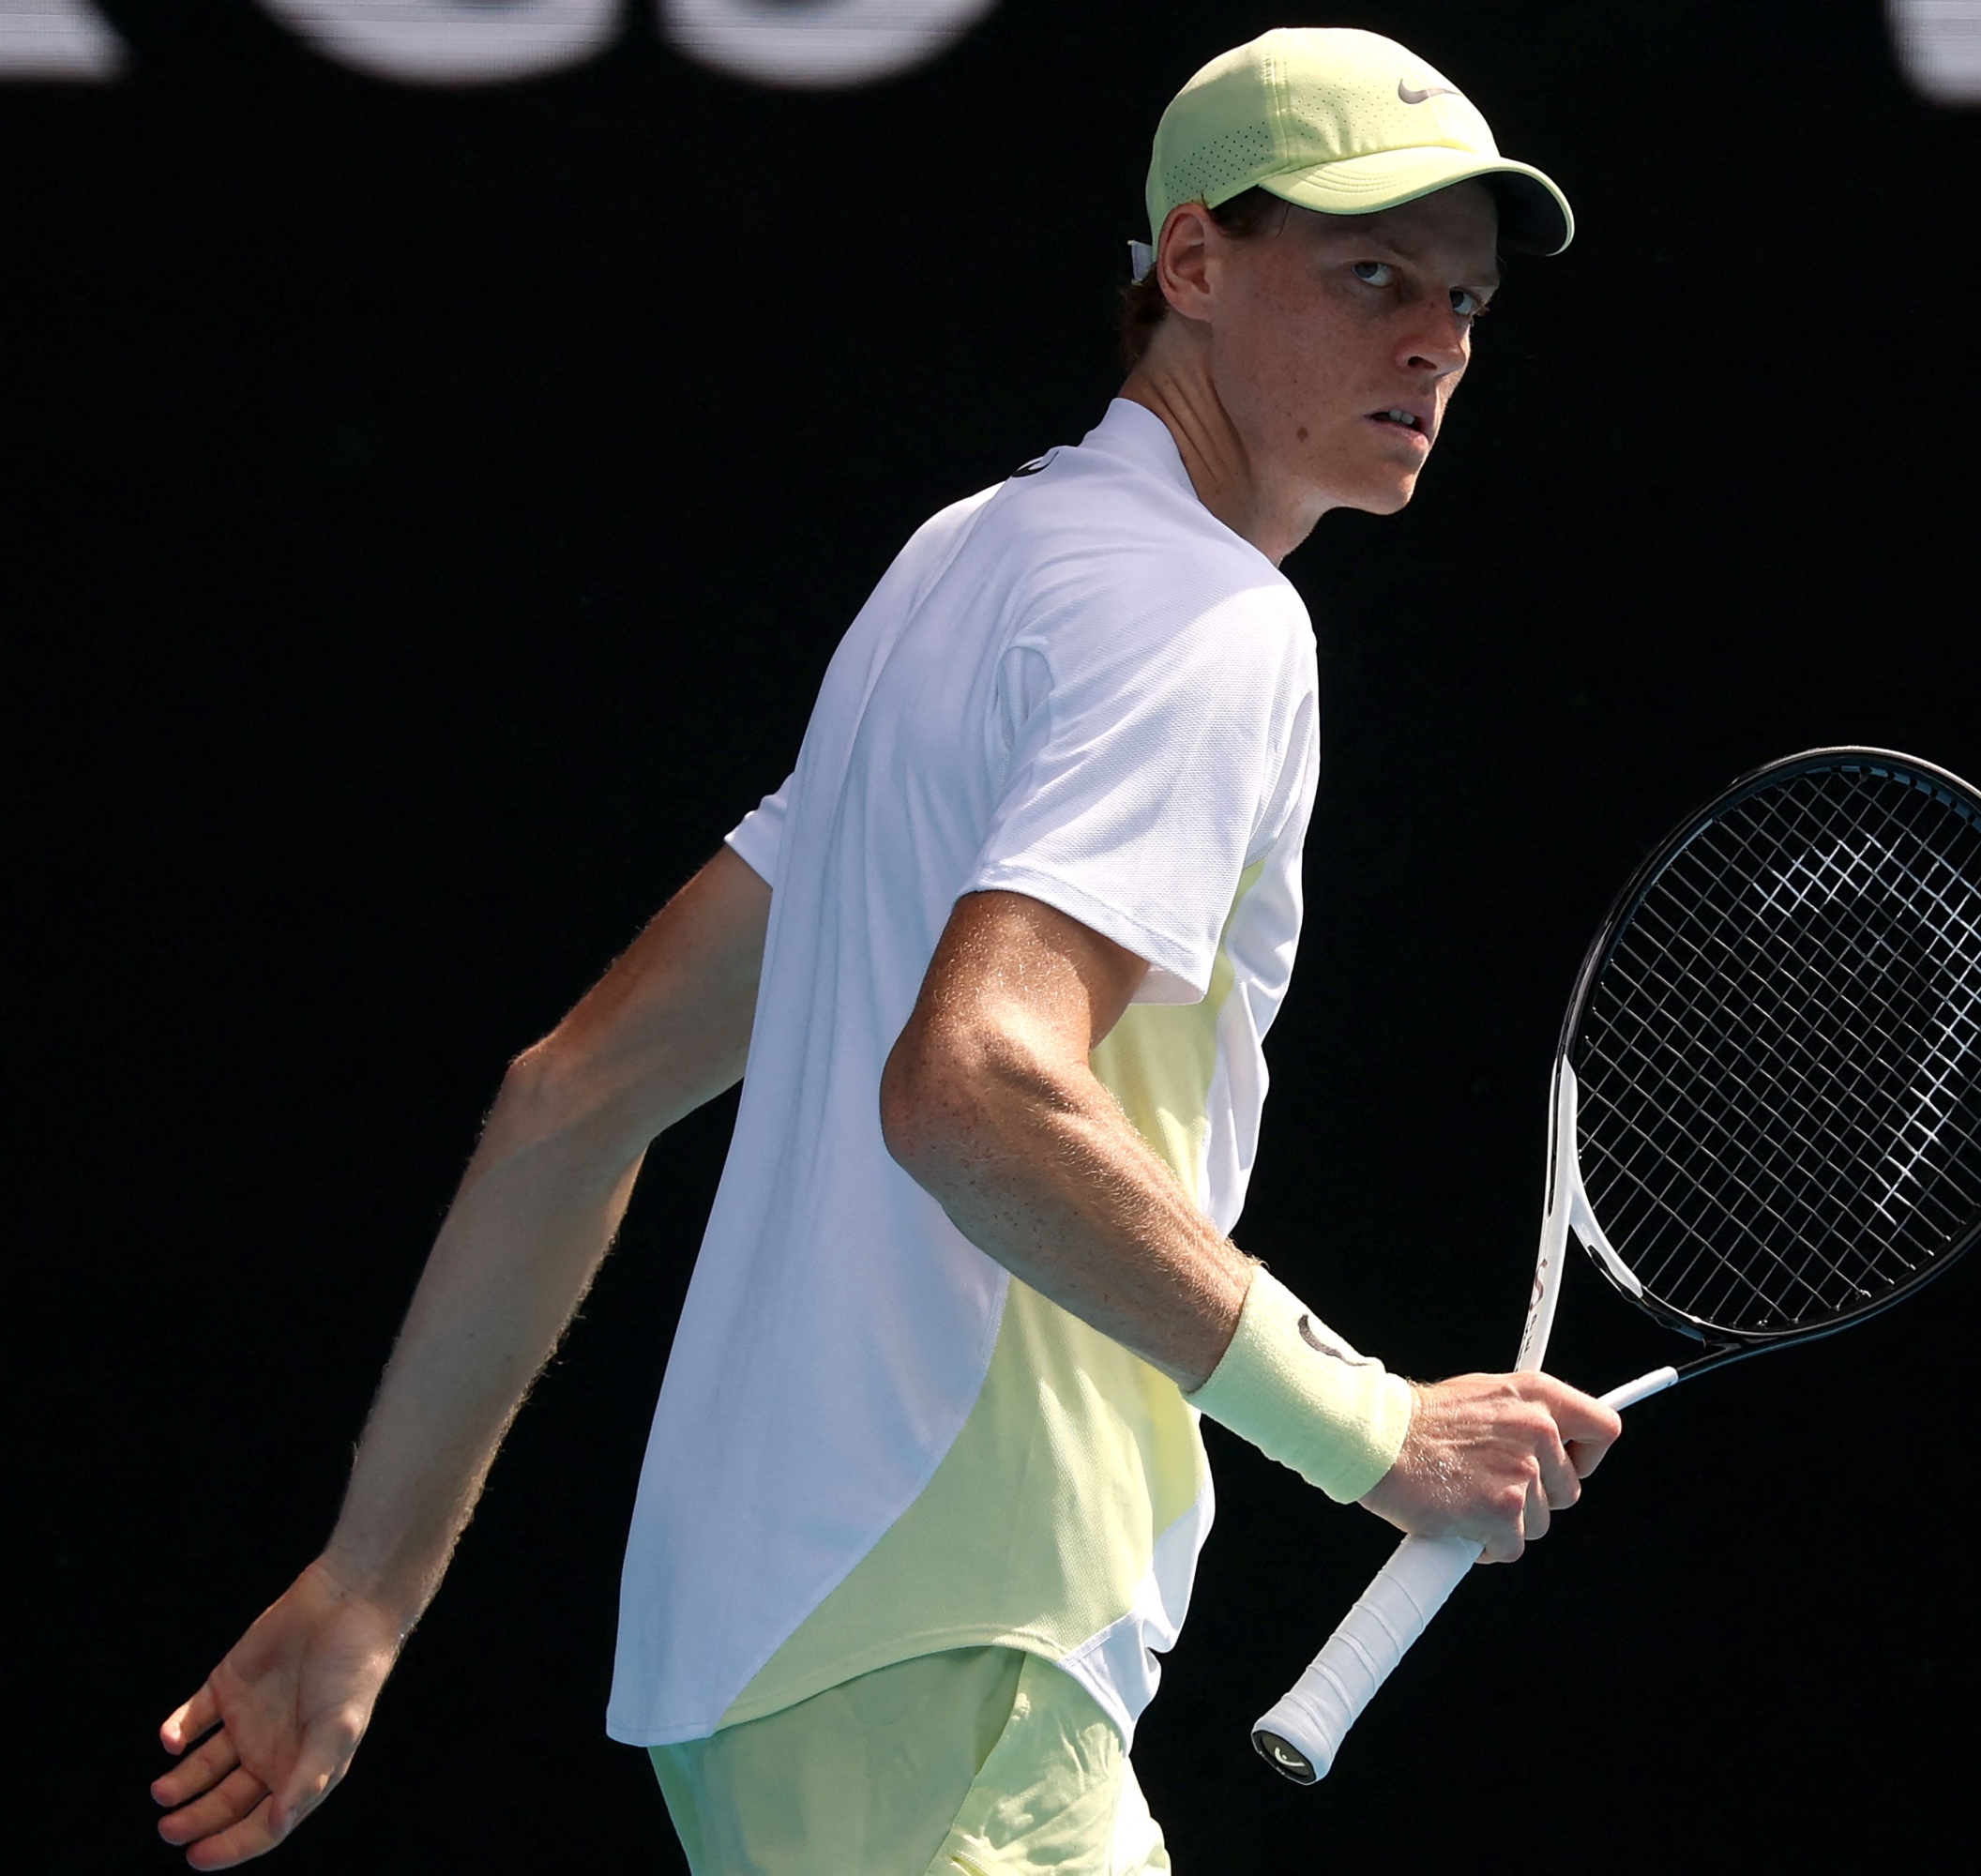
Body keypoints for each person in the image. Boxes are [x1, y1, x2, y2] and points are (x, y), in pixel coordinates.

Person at [151, 27, 1617, 1876]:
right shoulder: (1209, 619)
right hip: (956, 1644)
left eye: (1463, 303)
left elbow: (569, 1095)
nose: (1433, 344)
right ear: (1191, 265)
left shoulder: (960, 571)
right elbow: (978, 1086)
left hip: (777, 1669)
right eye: (1372, 275)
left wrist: (371, 1581)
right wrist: (1372, 1428)